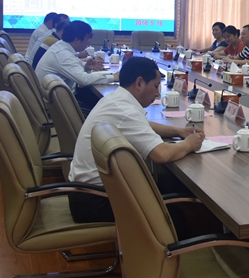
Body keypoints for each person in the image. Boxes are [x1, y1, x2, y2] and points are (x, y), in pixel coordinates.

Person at [68, 57, 205, 224]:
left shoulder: (116, 99)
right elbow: (162, 154)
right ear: (139, 83)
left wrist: (178, 131)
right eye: (155, 86)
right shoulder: (126, 112)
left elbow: (143, 124)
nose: (157, 93)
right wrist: (189, 144)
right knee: (176, 217)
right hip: (97, 200)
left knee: (166, 187)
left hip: (86, 193)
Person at [35, 20, 119, 93]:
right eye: (88, 37)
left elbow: (74, 65)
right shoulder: (63, 54)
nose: (89, 41)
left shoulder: (61, 46)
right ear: (77, 39)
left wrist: (86, 66)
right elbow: (84, 79)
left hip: (57, 99)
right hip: (59, 103)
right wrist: (113, 77)